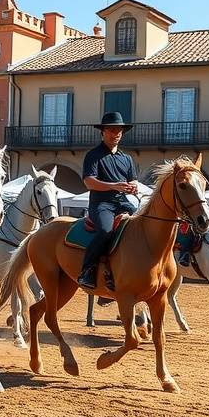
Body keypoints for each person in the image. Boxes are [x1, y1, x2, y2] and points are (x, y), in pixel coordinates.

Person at [77, 112, 140, 290]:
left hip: (124, 203)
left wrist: (133, 186)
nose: (116, 134)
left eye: (119, 130)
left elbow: (133, 180)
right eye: (112, 130)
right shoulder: (93, 155)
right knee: (105, 231)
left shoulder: (126, 159)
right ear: (103, 132)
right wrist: (115, 186)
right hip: (101, 205)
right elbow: (89, 182)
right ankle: (87, 270)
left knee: (146, 226)